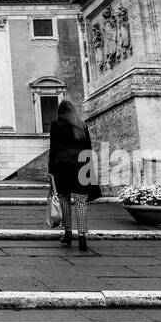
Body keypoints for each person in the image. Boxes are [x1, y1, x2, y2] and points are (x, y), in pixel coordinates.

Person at [48, 98, 95, 251]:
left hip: (62, 165)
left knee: (64, 200)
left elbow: (53, 148)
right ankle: (82, 236)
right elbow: (88, 148)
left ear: (60, 112)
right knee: (81, 202)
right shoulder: (82, 125)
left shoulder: (56, 124)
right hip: (81, 163)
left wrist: (50, 170)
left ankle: (68, 233)